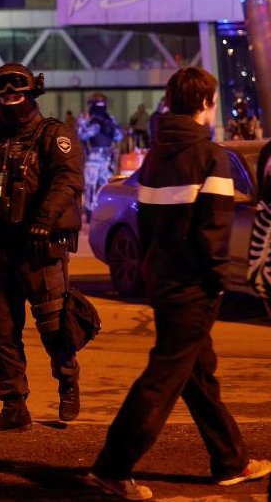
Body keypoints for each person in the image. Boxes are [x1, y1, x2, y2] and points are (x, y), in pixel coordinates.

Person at [88, 67, 271, 500]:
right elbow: (213, 231)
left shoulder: (156, 156)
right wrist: (217, 281)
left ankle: (230, 461)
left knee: (197, 374)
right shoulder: (210, 157)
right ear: (206, 103)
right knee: (164, 376)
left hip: (164, 281)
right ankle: (112, 466)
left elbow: (147, 224)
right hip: (194, 286)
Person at [0, 63, 83, 433]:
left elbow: (68, 179)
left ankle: (67, 381)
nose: (9, 100)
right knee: (0, 333)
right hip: (2, 251)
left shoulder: (53, 134)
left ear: (32, 93)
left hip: (41, 249)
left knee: (54, 328)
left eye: (17, 93)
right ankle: (14, 406)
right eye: (2, 95)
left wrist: (44, 219)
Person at [76, 92, 123, 221]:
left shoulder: (109, 118)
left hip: (106, 158)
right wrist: (95, 127)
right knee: (90, 186)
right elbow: (80, 135)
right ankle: (90, 212)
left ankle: (103, 210)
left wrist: (111, 127)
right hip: (92, 157)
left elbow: (119, 136)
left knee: (105, 187)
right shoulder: (86, 118)